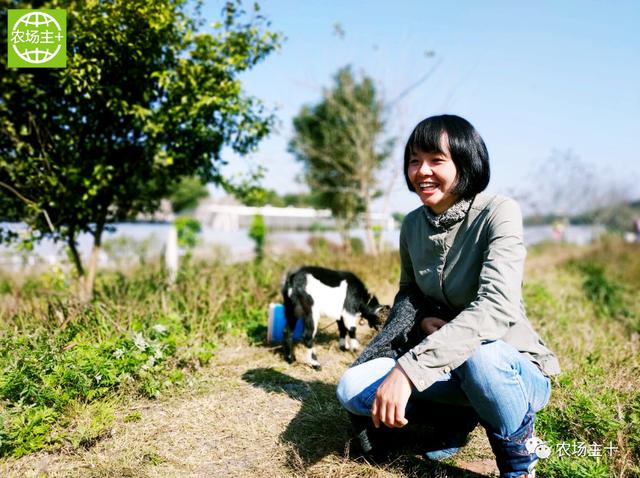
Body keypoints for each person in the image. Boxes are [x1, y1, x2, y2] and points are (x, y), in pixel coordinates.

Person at [336, 115, 560, 478]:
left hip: (507, 368)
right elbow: (409, 293)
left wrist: (408, 371)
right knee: (352, 388)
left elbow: (496, 306)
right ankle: (461, 415)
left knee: (481, 357)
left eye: (436, 160)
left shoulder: (498, 212)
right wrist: (422, 322)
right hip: (444, 361)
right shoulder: (411, 225)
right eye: (414, 160)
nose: (422, 171)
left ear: (466, 161)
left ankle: (519, 464)